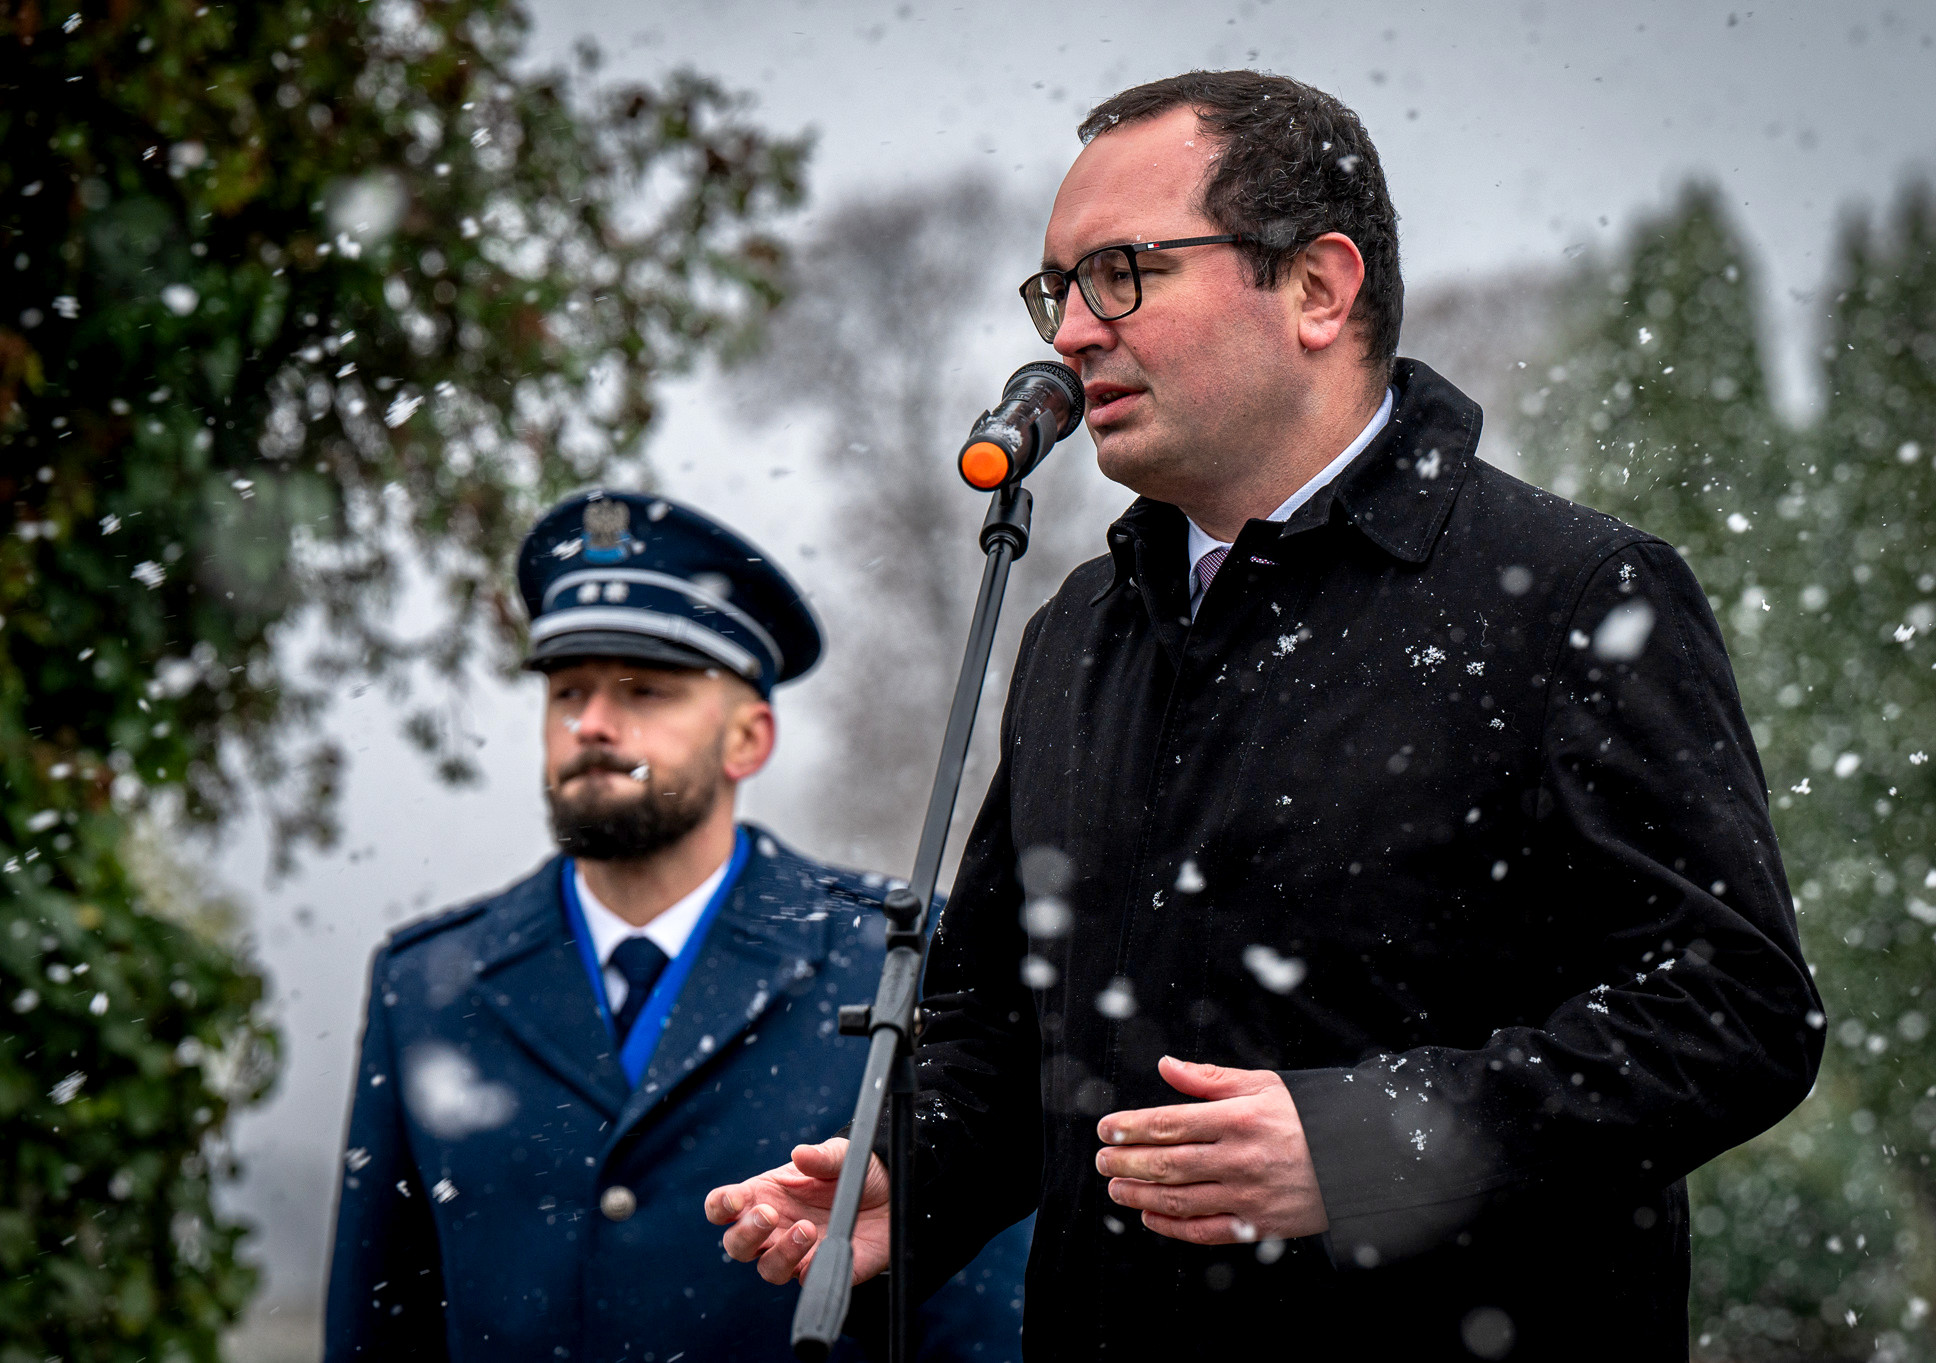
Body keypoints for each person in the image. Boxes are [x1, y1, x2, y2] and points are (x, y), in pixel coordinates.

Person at [707, 71, 1825, 1360]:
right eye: (1057, 288)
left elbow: (1732, 1010)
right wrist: (914, 1174)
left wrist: (1369, 1144)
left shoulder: (1570, 594)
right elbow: (1005, 1030)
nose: (1072, 333)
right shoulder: (1077, 627)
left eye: (1120, 274)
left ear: (1316, 287)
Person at [324, 491, 1028, 1362]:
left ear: (748, 739)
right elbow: (379, 1327)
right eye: (568, 690)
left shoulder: (894, 956)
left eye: (644, 690)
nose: (592, 723)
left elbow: (978, 1327)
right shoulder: (427, 984)